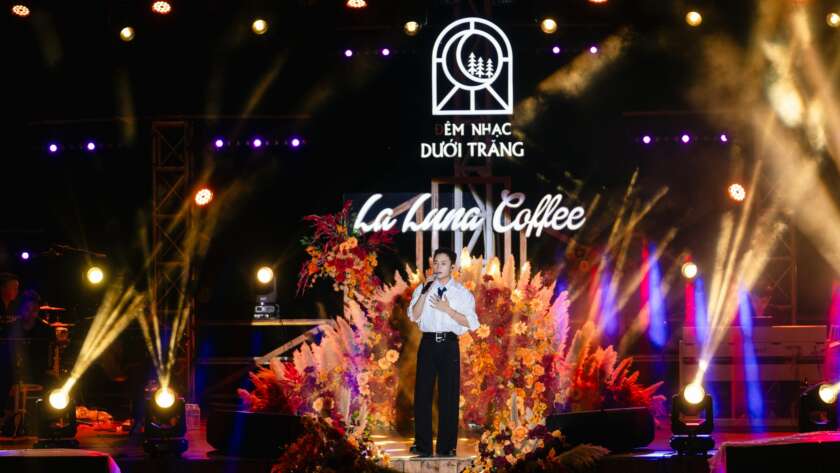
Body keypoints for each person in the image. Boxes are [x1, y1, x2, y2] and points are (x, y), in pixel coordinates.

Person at [407, 247, 479, 457]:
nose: (438, 267)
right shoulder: (423, 287)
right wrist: (424, 291)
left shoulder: (461, 293)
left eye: (443, 263)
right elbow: (414, 315)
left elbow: (472, 322)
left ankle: (447, 447)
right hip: (428, 344)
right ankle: (423, 446)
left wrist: (448, 310)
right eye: (436, 263)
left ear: (453, 267)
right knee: (422, 394)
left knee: (449, 395)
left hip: (449, 344)